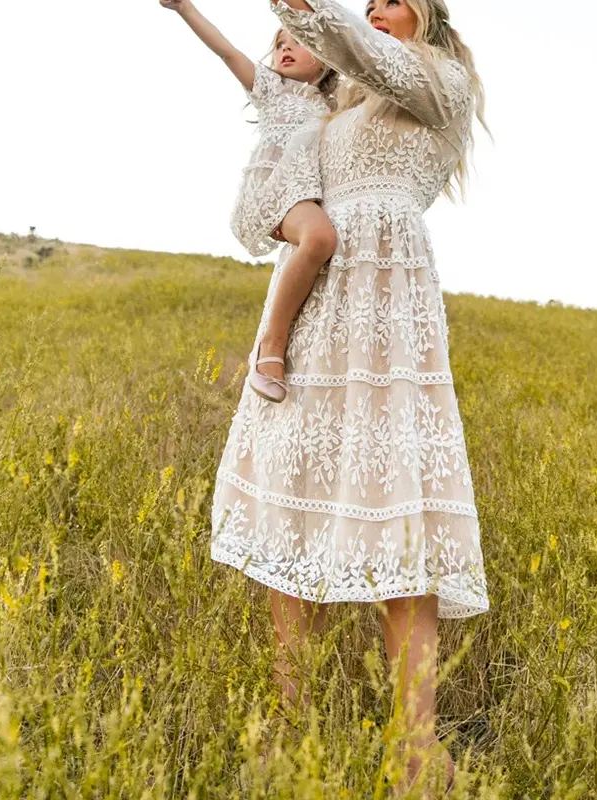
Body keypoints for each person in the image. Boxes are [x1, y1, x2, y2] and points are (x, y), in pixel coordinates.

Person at [211, 0, 491, 792]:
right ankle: (290, 719)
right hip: (318, 303)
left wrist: (314, 11)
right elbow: (283, 98)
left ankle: (416, 748)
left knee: (397, 509)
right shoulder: (343, 96)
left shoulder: (440, 79)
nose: (374, 6)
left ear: (427, 12)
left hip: (387, 295)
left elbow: (362, 49)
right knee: (293, 492)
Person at [160, 0, 339, 403]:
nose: (286, 49)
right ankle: (270, 346)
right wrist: (185, 8)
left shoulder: (335, 105)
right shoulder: (271, 88)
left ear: (327, 60)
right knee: (320, 239)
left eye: (299, 42)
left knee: (322, 240)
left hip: (304, 194)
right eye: (280, 44)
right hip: (272, 194)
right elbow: (226, 50)